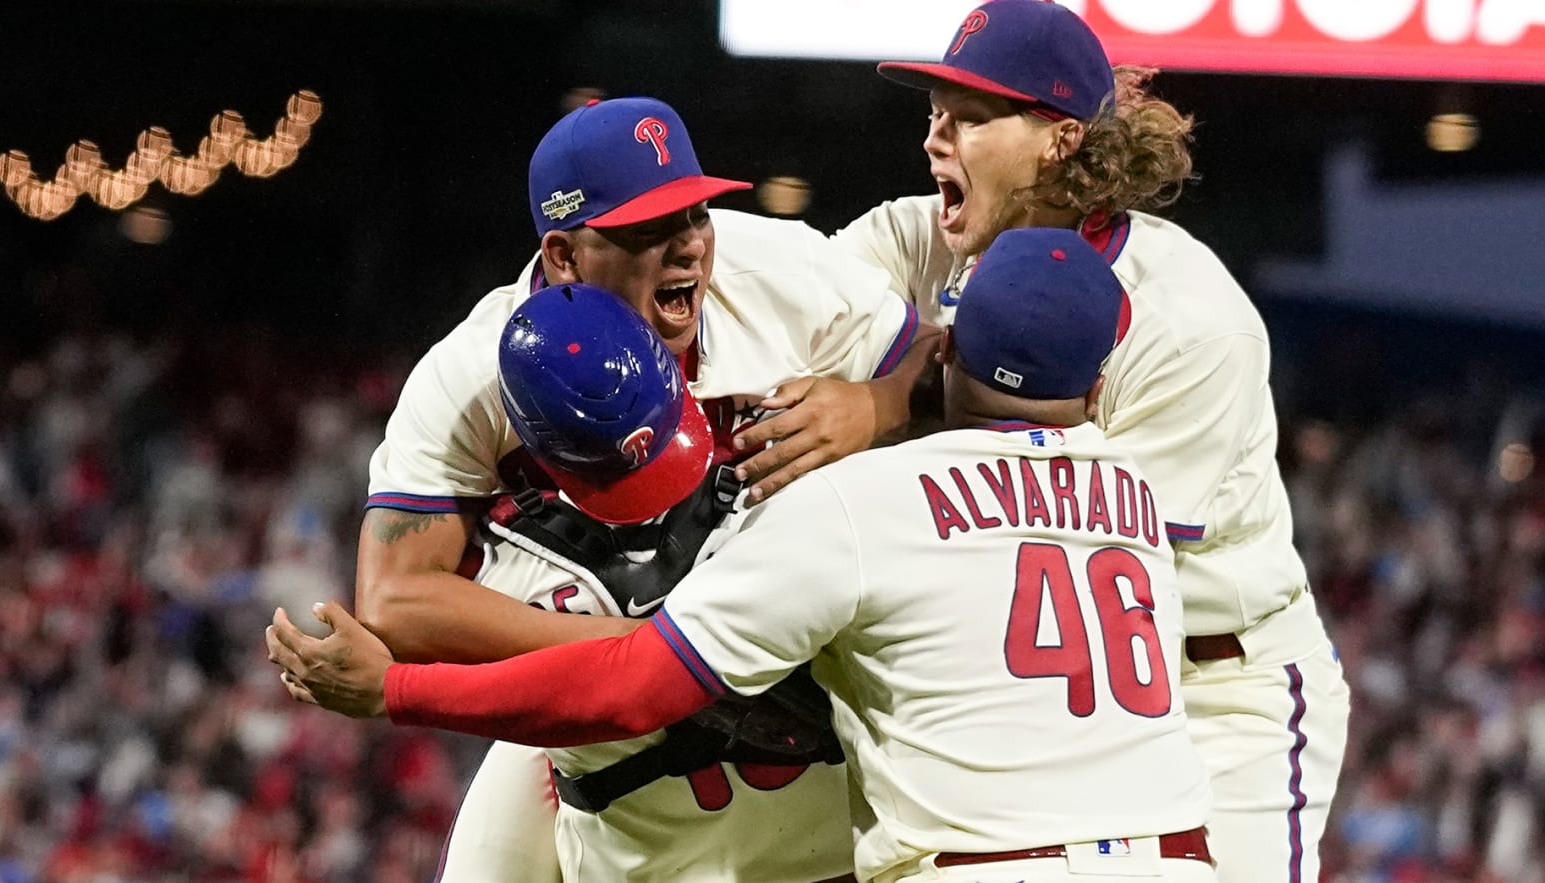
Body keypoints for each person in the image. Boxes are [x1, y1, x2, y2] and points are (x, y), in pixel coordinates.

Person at [270, 227, 1218, 883]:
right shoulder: (1138, 497)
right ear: (1098, 382)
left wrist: (394, 692)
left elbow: (634, 681)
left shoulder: (862, 505)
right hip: (1182, 854)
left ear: (947, 345)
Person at [354, 97, 936, 881]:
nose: (690, 247)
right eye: (647, 229)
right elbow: (393, 600)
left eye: (695, 213)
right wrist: (644, 657)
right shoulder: (473, 372)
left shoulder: (776, 271)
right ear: (563, 255)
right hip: (616, 712)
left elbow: (942, 363)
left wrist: (878, 403)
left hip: (806, 705)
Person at [833, 3, 1352, 880]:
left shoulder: (1187, 320)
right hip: (1053, 674)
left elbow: (1060, 538)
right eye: (933, 113)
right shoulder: (923, 238)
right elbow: (764, 283)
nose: (934, 139)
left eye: (970, 117)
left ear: (1060, 141)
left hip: (1216, 686)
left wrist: (887, 407)